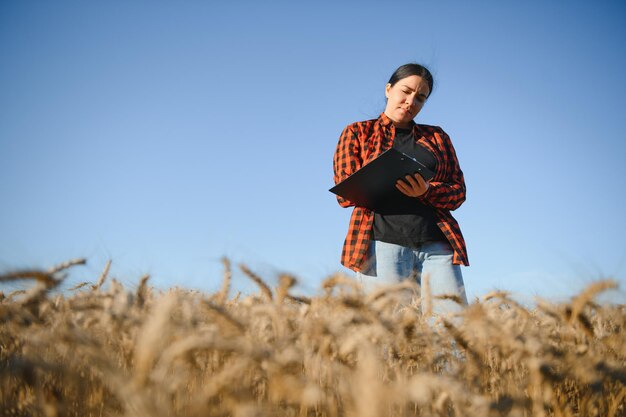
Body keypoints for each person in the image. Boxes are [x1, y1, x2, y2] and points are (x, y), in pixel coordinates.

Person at [333, 63, 468, 315]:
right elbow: (344, 193)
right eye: (405, 92)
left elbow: (458, 191)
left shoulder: (438, 137)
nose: (410, 102)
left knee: (453, 329)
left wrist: (426, 191)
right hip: (382, 245)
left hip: (437, 246)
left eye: (420, 98)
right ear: (388, 89)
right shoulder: (357, 132)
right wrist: (378, 174)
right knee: (390, 333)